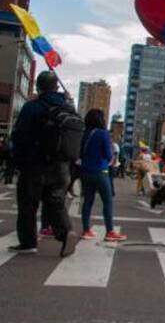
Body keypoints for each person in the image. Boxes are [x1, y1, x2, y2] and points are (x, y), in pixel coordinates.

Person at [10, 70, 80, 256]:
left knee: (28, 204)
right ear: (56, 87)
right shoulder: (68, 108)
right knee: (55, 202)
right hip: (62, 166)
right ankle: (66, 233)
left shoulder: (33, 107)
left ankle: (28, 242)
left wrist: (17, 160)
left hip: (35, 163)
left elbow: (20, 136)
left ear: (38, 87)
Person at [79, 109, 126, 242]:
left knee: (88, 200)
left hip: (85, 171)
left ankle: (86, 229)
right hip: (100, 171)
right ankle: (110, 231)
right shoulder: (103, 134)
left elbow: (80, 153)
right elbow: (108, 154)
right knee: (107, 200)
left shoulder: (85, 133)